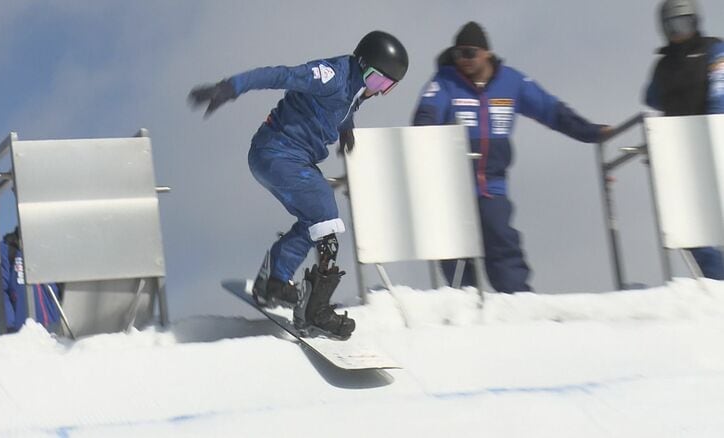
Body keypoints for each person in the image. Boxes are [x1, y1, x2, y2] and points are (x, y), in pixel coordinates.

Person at [188, 31, 409, 339]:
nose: (379, 92)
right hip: (277, 153)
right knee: (326, 219)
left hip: (294, 159)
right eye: (376, 82)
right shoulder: (330, 76)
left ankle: (274, 283)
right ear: (361, 64)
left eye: (388, 87)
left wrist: (346, 129)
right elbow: (282, 75)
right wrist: (230, 87)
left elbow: (347, 106)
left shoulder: (356, 89)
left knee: (313, 220)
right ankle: (314, 312)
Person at [412, 22, 610, 293]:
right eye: (458, 54)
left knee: (501, 240)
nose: (463, 61)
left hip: (491, 185)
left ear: (486, 53)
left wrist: (591, 132)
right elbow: (426, 114)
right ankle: (464, 305)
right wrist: (425, 139)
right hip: (453, 186)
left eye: (469, 53)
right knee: (453, 249)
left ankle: (517, 301)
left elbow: (552, 111)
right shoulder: (444, 82)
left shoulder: (512, 82)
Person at [645, 0, 724, 279]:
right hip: (682, 150)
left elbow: (720, 95)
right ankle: (717, 283)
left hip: (715, 142)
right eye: (673, 25)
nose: (680, 31)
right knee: (690, 225)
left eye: (685, 23)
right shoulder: (664, 65)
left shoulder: (714, 52)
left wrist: (711, 130)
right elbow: (650, 96)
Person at [0, 228, 63, 334]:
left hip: (55, 340)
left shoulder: (50, 258)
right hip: (22, 337)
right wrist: (9, 330)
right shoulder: (4, 252)